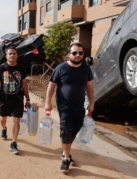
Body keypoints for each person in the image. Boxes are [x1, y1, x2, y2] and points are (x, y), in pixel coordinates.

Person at [45, 42, 94, 174]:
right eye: (74, 53)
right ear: (69, 54)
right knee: (66, 129)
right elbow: (51, 86)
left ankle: (64, 150)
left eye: (80, 53)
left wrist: (92, 102)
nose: (78, 55)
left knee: (76, 128)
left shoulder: (86, 69)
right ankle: (66, 158)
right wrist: (47, 102)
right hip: (64, 106)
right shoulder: (60, 68)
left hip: (80, 106)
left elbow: (89, 86)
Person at [0, 46, 31, 155]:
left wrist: (28, 99)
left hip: (17, 99)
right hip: (4, 99)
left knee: (16, 120)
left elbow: (24, 85)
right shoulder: (1, 68)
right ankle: (4, 129)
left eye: (14, 53)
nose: (12, 55)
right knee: (3, 119)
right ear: (6, 56)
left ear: (17, 55)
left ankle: (14, 143)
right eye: (10, 54)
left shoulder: (21, 68)